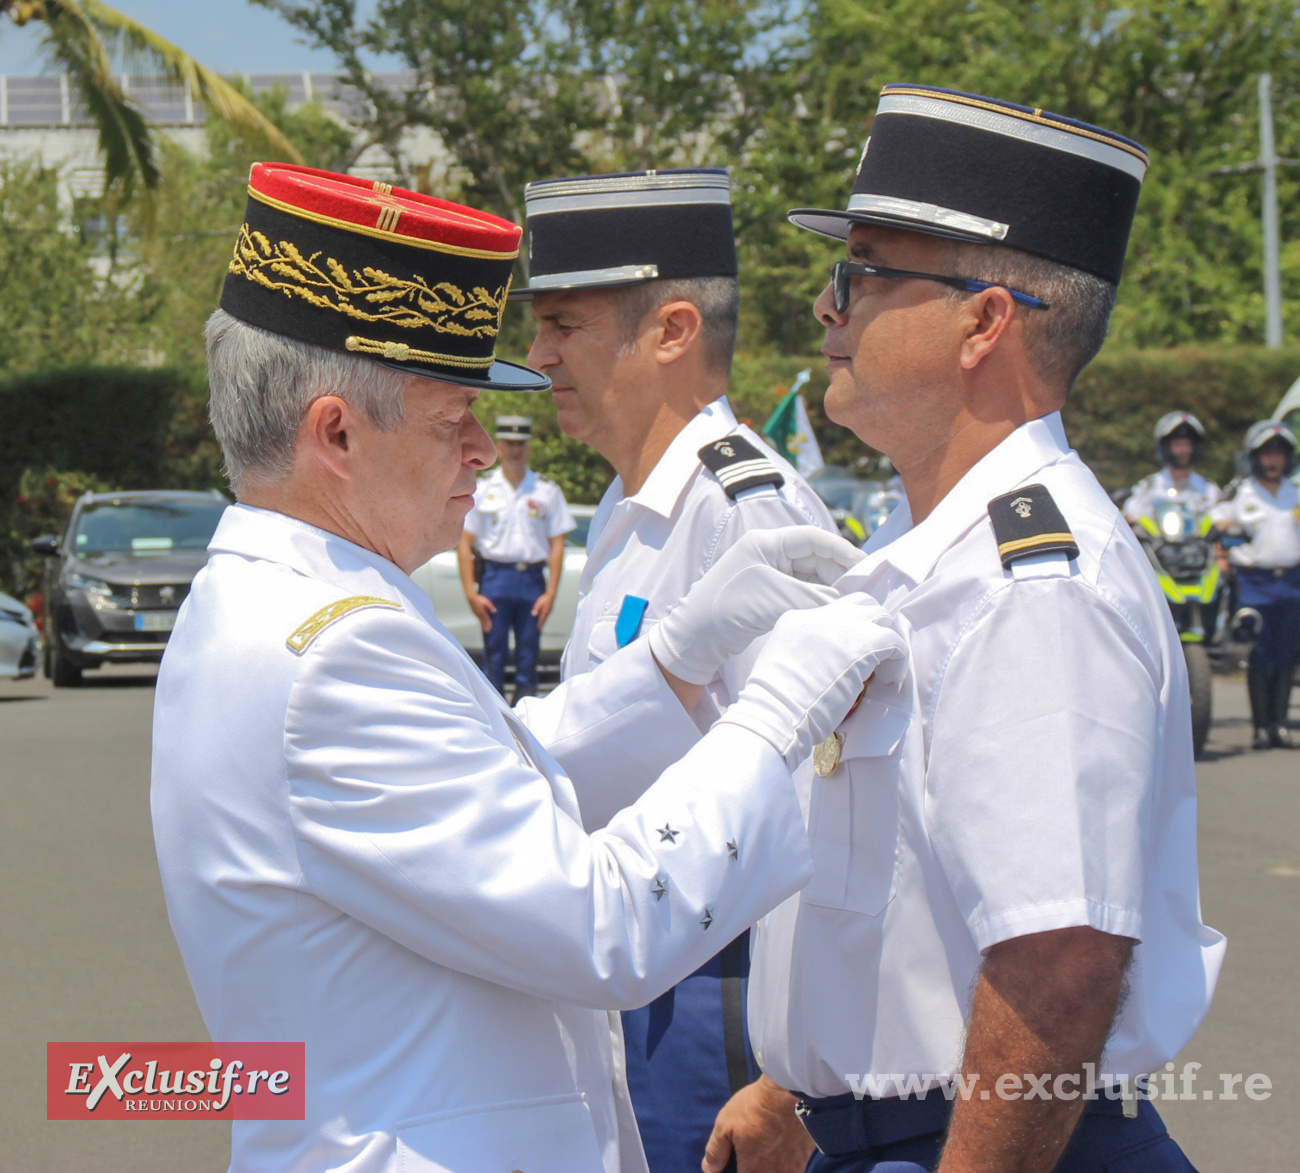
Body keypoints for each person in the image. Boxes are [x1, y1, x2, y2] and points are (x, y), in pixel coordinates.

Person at [150, 162, 908, 1173]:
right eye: (449, 419)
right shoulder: (341, 651)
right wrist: (767, 720)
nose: (483, 449)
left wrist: (672, 668)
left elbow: (491, 779)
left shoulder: (272, 602)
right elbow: (603, 926)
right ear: (333, 433)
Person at [707, 85, 1226, 1173]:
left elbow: (1059, 959)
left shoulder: (1030, 583)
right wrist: (802, 1088)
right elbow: (909, 902)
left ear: (984, 321)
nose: (823, 305)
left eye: (860, 273)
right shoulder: (934, 553)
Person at [515, 167, 837, 1173]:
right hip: (644, 953)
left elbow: (826, 796)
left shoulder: (744, 508)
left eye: (564, 325)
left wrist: (790, 1073)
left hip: (725, 988)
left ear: (670, 331)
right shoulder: (629, 506)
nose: (537, 357)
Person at [458, 415, 575, 700]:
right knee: (494, 658)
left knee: (528, 659)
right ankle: (496, 725)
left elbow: (557, 544)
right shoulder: (483, 488)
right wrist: (471, 594)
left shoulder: (546, 490)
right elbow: (464, 543)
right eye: (509, 443)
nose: (515, 450)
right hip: (495, 579)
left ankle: (526, 729)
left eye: (520, 443)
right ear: (499, 445)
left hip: (531, 580)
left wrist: (551, 592)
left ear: (529, 448)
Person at [1212, 421, 1300, 749]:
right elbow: (1217, 522)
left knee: (1286, 652)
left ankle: (1279, 725)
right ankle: (1261, 726)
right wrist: (1225, 540)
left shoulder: (1296, 491)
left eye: (1280, 453)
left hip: (1291, 579)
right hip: (1254, 581)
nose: (1274, 460)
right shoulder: (1241, 492)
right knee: (1258, 651)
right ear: (1254, 457)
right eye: (1267, 453)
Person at [1123, 412, 1221, 523]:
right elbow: (1131, 515)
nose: (1184, 450)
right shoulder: (1148, 487)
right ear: (1165, 447)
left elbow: (1221, 519)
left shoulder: (1208, 489)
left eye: (1188, 444)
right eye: (1177, 445)